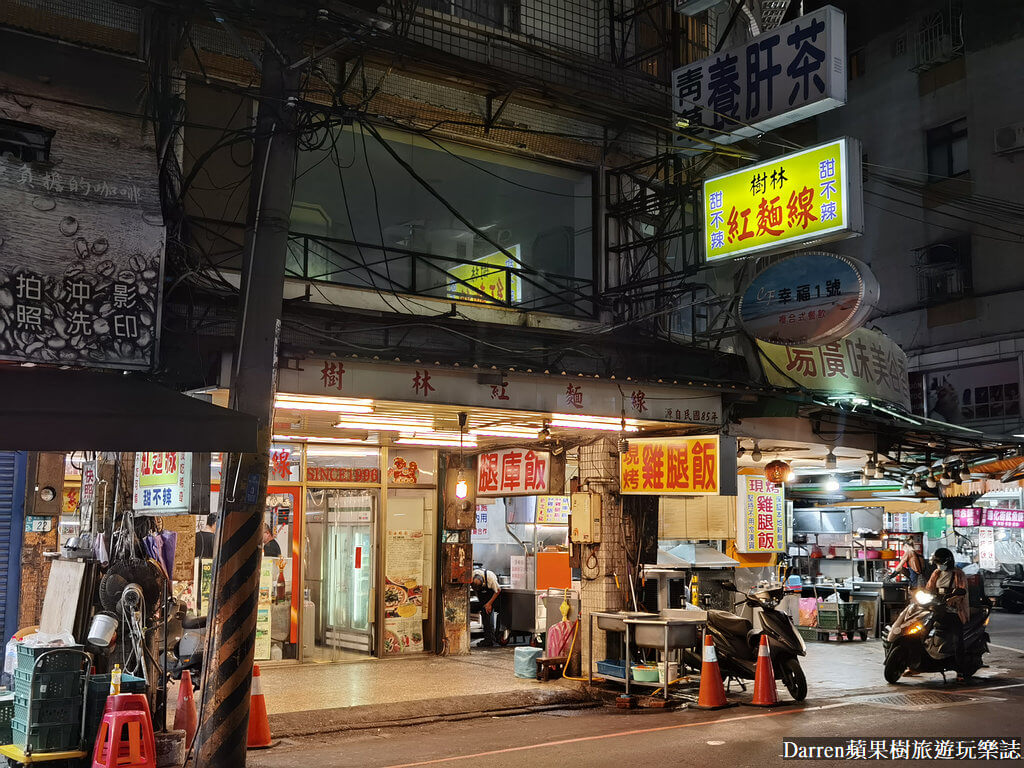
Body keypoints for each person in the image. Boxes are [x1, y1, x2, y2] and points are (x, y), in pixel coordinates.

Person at [925, 547, 970, 681]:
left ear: (948, 561)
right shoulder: (936, 573)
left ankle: (960, 671)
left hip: (953, 612)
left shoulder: (958, 574)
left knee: (957, 640)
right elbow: (929, 588)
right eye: (937, 563)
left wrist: (952, 599)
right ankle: (913, 664)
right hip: (936, 609)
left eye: (940, 562)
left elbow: (962, 590)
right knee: (921, 631)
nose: (939, 565)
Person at [471, 568, 501, 647]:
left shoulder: (490, 577)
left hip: (493, 597)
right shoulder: (472, 575)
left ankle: (490, 640)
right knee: (473, 608)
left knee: (487, 613)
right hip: (483, 599)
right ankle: (486, 639)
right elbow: (476, 591)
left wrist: (489, 604)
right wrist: (480, 601)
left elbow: (498, 590)